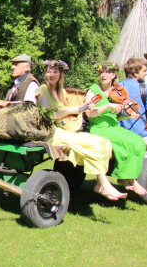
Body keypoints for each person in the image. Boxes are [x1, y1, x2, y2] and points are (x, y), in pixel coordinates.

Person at [35, 60, 123, 200]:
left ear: (61, 74)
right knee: (92, 144)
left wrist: (82, 109)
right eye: (48, 71)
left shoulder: (61, 91)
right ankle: (103, 184)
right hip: (49, 132)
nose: (51, 74)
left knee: (103, 142)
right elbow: (48, 116)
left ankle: (101, 183)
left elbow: (63, 117)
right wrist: (71, 110)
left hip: (61, 130)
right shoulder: (43, 90)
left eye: (55, 71)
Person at [85, 63, 147, 196]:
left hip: (114, 127)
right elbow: (89, 114)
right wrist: (108, 106)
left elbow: (116, 117)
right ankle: (128, 179)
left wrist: (129, 115)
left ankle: (128, 177)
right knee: (126, 143)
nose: (103, 75)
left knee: (137, 142)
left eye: (107, 72)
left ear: (113, 75)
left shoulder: (117, 92)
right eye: (102, 72)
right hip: (99, 128)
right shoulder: (93, 90)